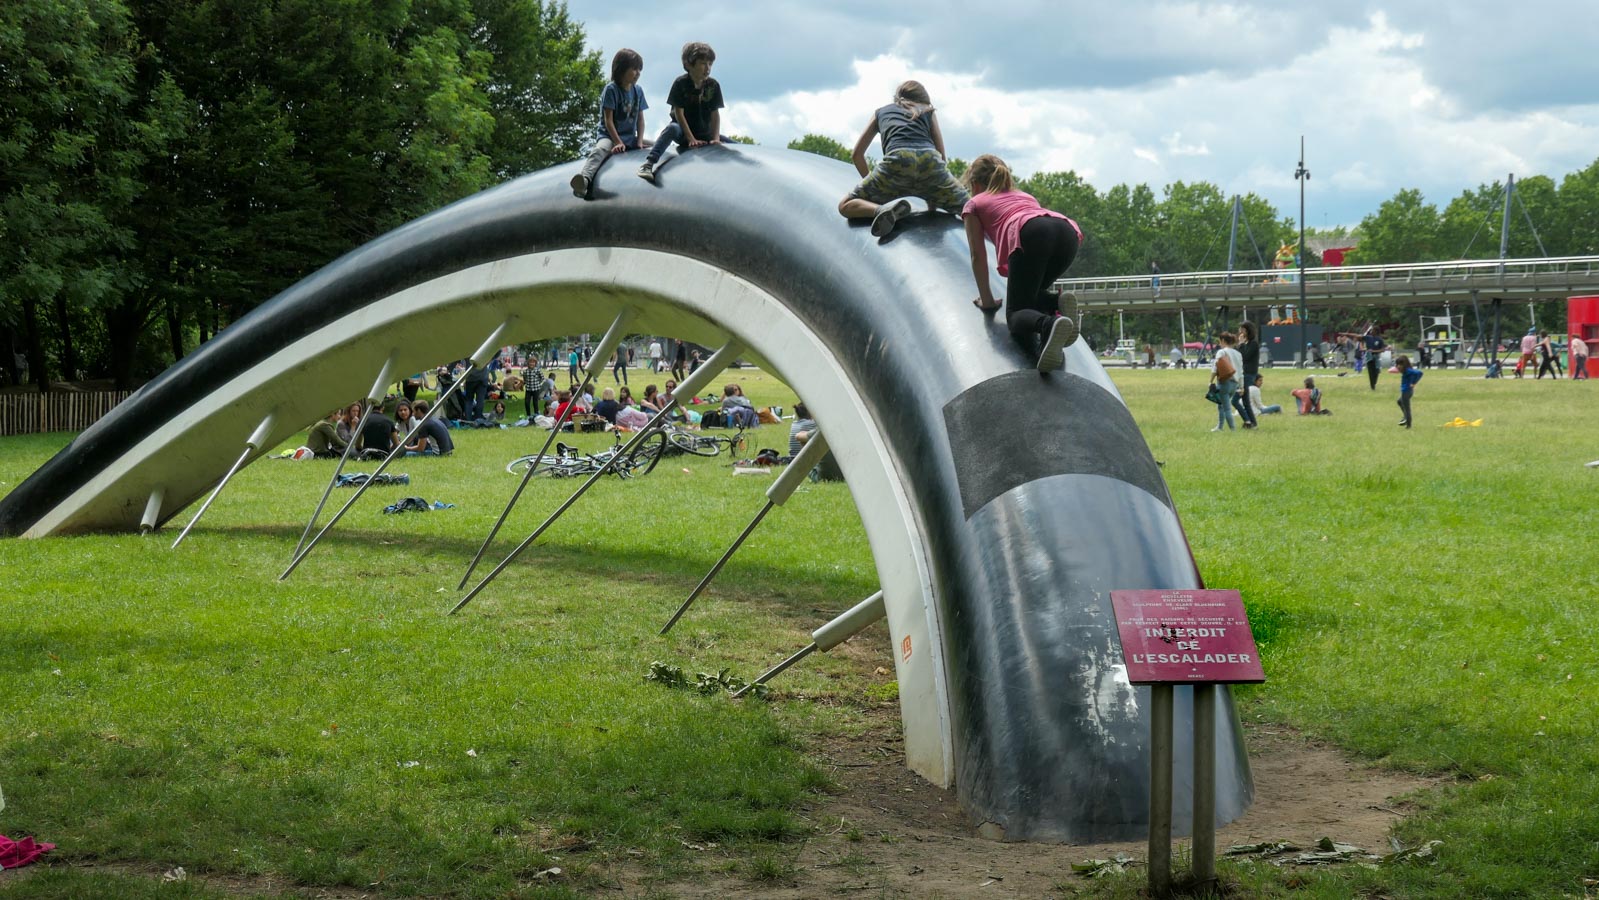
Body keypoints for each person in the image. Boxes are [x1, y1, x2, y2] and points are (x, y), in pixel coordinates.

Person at [960, 154, 1082, 372]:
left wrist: (987, 301)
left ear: (975, 184)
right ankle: (1056, 302)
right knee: (1031, 297)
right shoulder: (1024, 196)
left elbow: (977, 256)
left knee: (1016, 315)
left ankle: (1049, 324)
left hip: (1031, 232)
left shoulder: (974, 204)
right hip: (1066, 232)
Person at [838, 81, 968, 237]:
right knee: (972, 209)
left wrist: (873, 183)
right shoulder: (928, 111)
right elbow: (941, 155)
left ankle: (882, 210)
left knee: (845, 205)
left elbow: (857, 155)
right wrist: (934, 196)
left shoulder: (880, 112)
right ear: (923, 99)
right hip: (929, 160)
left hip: (897, 161)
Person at [638, 42, 724, 182]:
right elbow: (679, 114)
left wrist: (715, 138)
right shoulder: (681, 84)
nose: (707, 68)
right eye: (703, 64)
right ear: (689, 65)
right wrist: (691, 139)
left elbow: (715, 114)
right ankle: (649, 163)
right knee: (672, 128)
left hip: (704, 132)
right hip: (683, 132)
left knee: (731, 144)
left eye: (710, 64)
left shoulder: (713, 85)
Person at [571, 49, 651, 199]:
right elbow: (608, 120)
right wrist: (618, 142)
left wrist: (640, 141)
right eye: (634, 69)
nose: (638, 73)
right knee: (600, 150)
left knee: (656, 144)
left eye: (639, 69)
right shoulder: (611, 90)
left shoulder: (638, 91)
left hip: (630, 137)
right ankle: (584, 181)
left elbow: (640, 120)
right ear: (622, 69)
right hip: (609, 136)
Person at [1209, 332, 1243, 432]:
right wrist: (1242, 386)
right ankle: (1219, 427)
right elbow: (1241, 372)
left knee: (1226, 408)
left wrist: (1210, 381)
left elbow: (1215, 368)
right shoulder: (1238, 354)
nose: (1219, 343)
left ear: (1223, 341)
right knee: (1221, 405)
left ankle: (1233, 430)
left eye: (1220, 341)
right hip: (1234, 384)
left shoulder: (1221, 352)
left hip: (1224, 382)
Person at [1231, 321, 1261, 429]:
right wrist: (1240, 344)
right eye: (1240, 329)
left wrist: (1241, 344)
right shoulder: (1245, 344)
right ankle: (1252, 423)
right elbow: (1237, 355)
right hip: (1243, 374)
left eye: (1242, 329)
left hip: (1249, 374)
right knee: (1245, 401)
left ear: (1248, 331)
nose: (1240, 331)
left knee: (1234, 400)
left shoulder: (1253, 344)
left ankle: (1248, 421)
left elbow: (1244, 357)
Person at [1396, 355, 1422, 428]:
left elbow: (1419, 373)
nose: (1398, 366)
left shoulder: (1408, 370)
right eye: (1397, 364)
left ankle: (1408, 424)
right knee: (1399, 401)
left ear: (1404, 364)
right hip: (1406, 391)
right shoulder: (1405, 371)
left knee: (1407, 408)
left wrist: (1414, 383)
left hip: (1407, 391)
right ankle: (1405, 417)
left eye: (1400, 364)